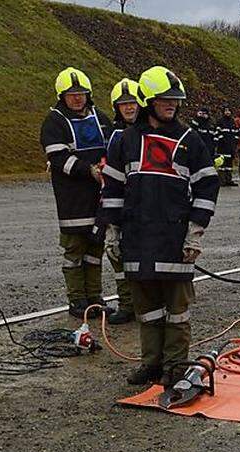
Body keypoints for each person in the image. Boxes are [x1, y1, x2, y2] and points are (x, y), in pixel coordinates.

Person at [97, 66, 219, 386]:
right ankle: (151, 363)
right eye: (165, 99)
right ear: (149, 101)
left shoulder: (189, 140)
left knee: (177, 310)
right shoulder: (125, 140)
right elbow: (112, 188)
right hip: (137, 237)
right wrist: (113, 230)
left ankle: (176, 367)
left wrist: (195, 233)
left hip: (174, 237)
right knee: (146, 308)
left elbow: (207, 187)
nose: (172, 105)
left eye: (176, 100)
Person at [41, 67, 113, 319]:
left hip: (99, 197)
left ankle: (95, 298)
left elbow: (113, 146)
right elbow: (59, 158)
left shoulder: (100, 117)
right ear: (62, 96)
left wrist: (107, 167)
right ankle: (77, 301)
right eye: (71, 94)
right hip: (72, 198)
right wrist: (89, 170)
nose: (77, 98)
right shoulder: (54, 121)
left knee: (95, 249)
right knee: (74, 251)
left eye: (81, 93)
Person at [98, 78, 141, 325]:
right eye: (124, 104)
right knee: (117, 254)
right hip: (120, 204)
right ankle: (127, 304)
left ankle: (148, 304)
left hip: (144, 205)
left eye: (132, 102)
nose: (129, 107)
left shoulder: (148, 131)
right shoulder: (114, 136)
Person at [215, 107, 239, 187]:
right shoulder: (220, 121)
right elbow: (217, 133)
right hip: (223, 146)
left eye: (229, 110)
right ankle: (221, 180)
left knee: (229, 165)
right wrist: (222, 141)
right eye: (226, 111)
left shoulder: (232, 122)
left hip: (231, 146)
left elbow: (235, 133)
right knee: (222, 165)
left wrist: (235, 142)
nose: (228, 112)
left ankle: (229, 179)